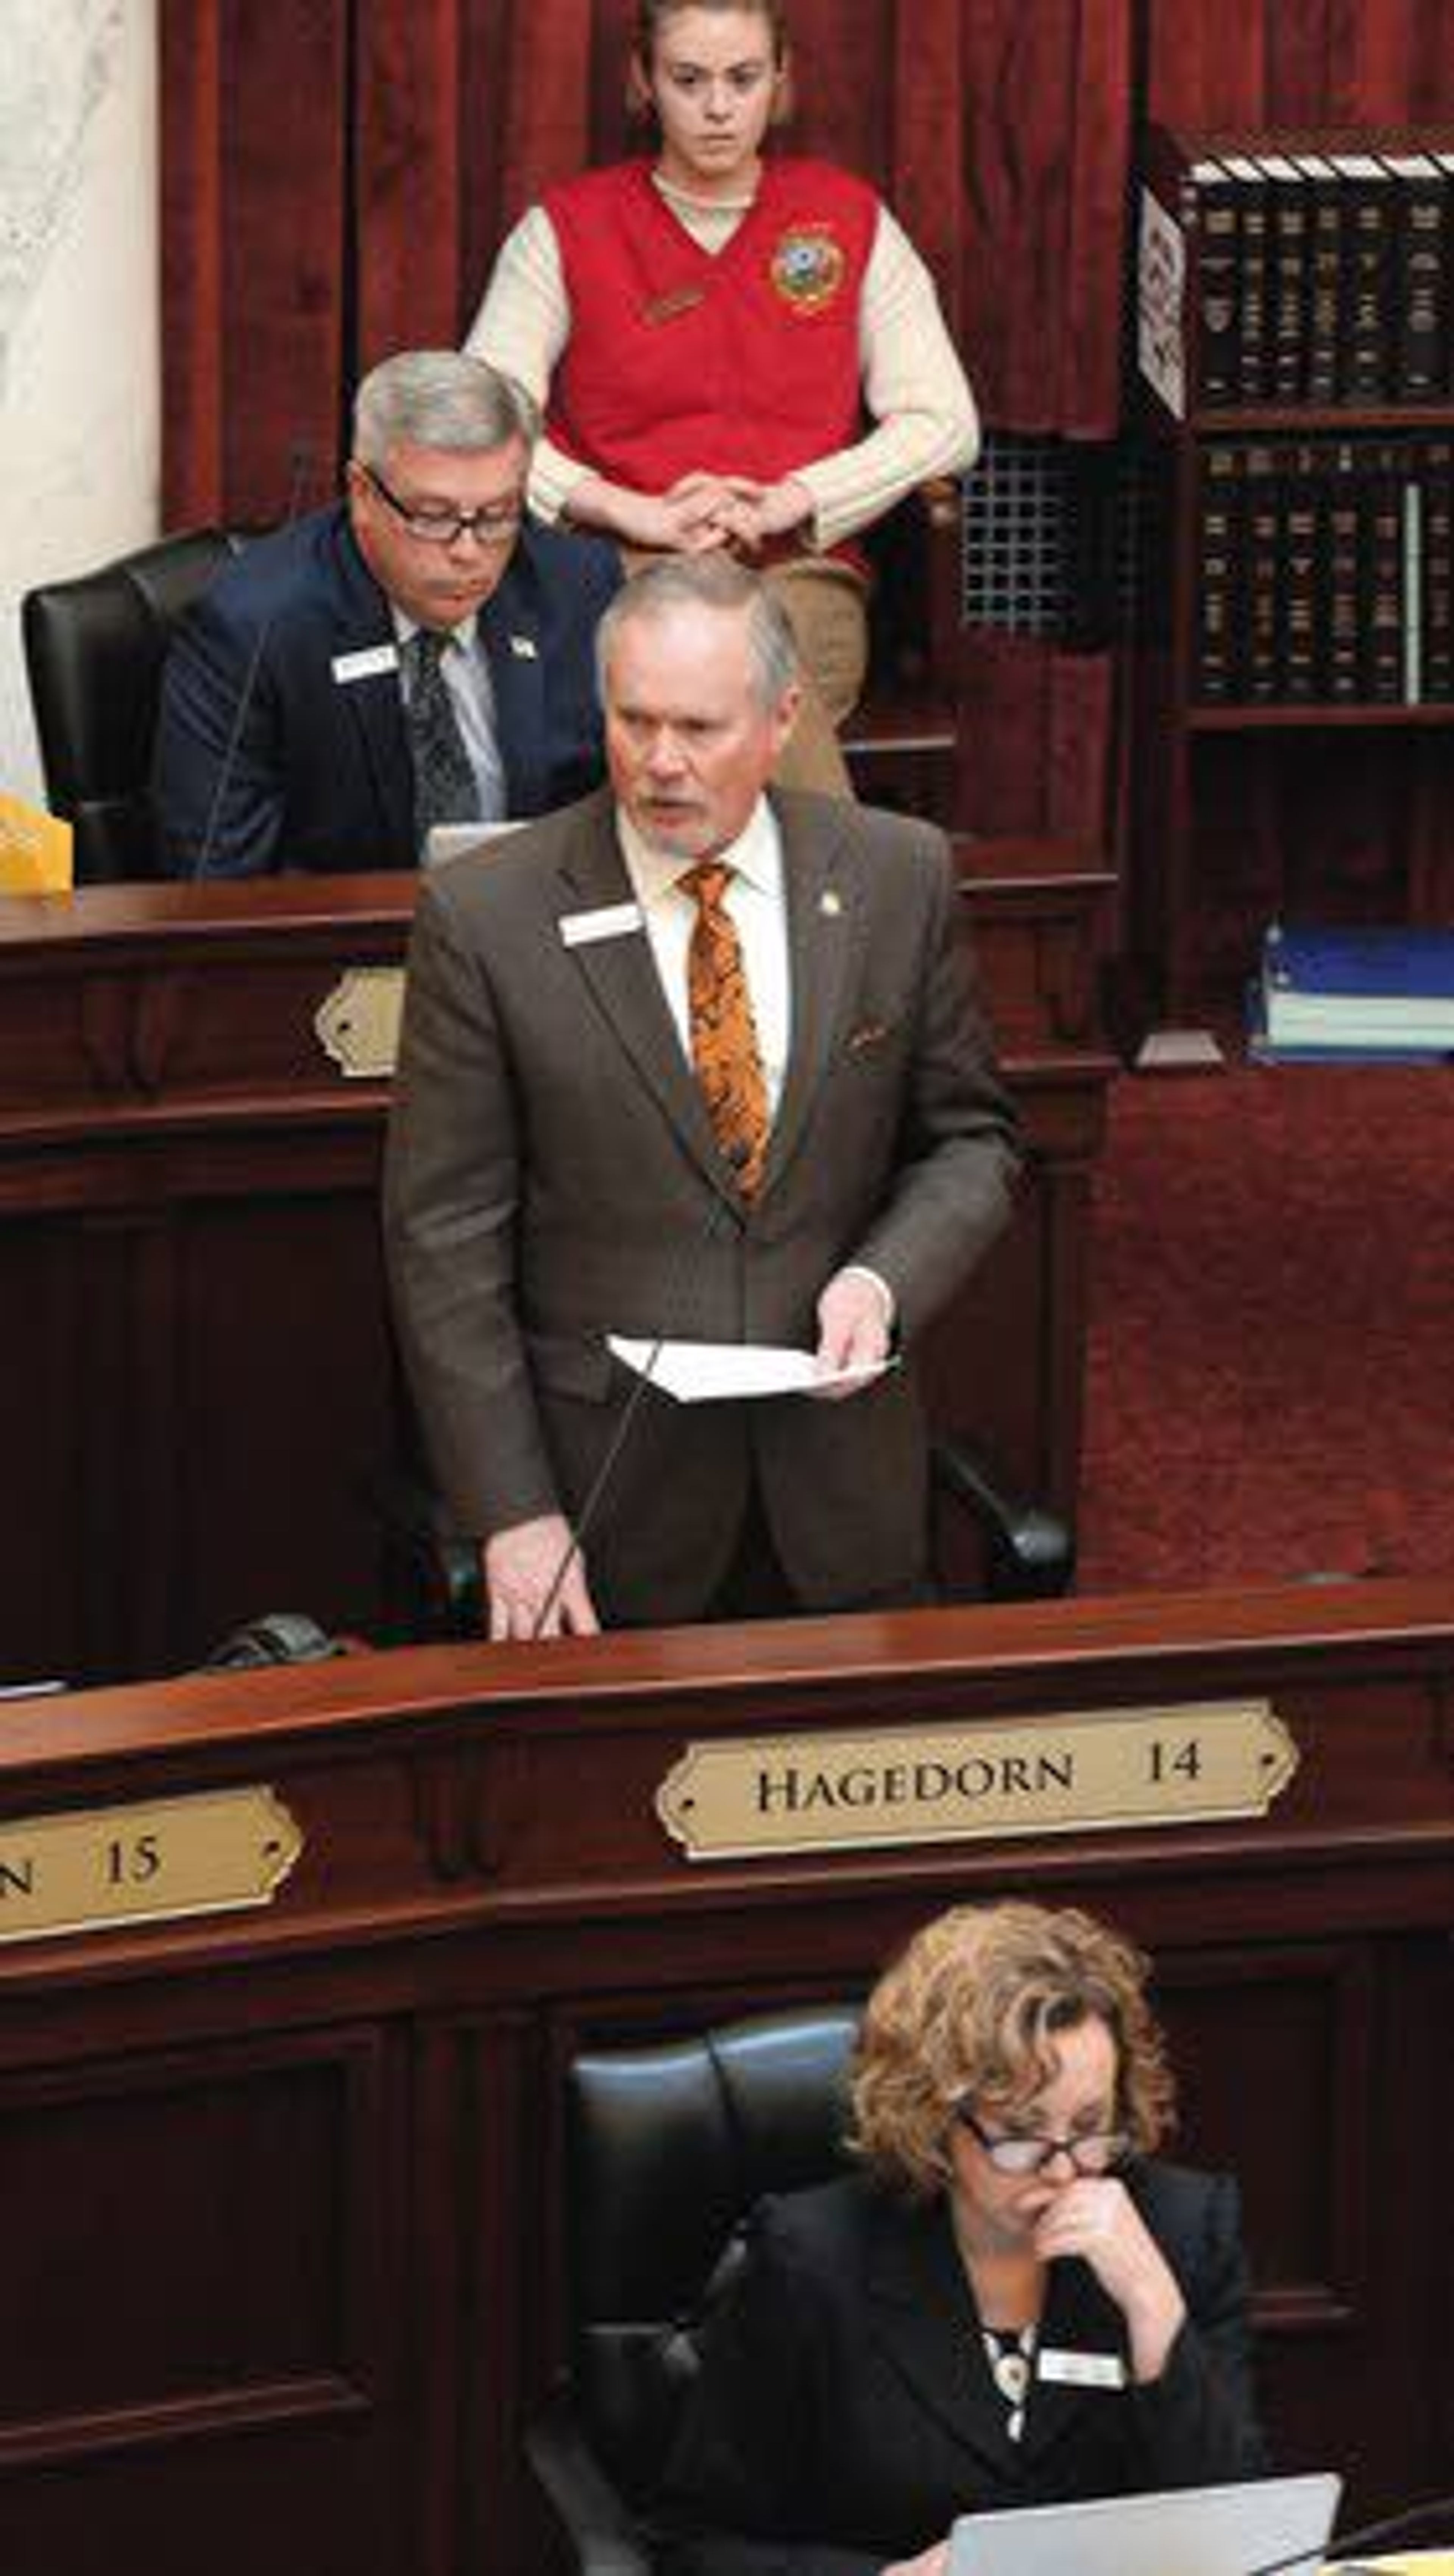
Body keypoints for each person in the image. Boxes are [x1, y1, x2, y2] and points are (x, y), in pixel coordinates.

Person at [383, 555, 1018, 1638]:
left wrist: (881, 1279)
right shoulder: (488, 915)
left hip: (842, 1499)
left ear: (780, 721)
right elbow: (444, 1237)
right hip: (604, 1511)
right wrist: (513, 1512)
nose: (661, 763)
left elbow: (972, 1140)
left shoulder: (896, 875)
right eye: (634, 722)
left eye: (699, 728)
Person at [660, 1901, 1268, 2575]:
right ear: (934, 2119)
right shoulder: (812, 2258)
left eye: (1093, 2123)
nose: (1065, 2168)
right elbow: (697, 2547)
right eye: (1020, 2133)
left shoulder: (1183, 2231)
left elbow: (1237, 2543)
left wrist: (1155, 2309)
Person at [466, 0, 978, 799]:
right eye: (688, 79)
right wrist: (626, 510)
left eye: (742, 79)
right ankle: (829, 911)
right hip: (617, 570)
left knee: (746, 663)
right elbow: (479, 422)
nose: (716, 108)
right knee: (686, 675)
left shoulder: (848, 217)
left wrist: (792, 502)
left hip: (796, 574)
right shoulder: (564, 229)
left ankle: (789, 913)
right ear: (643, 81)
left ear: (781, 80)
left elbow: (945, 423)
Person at [153, 349, 621, 877]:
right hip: (341, 947)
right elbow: (216, 881)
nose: (468, 550)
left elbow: (625, 811)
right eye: (433, 517)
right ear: (362, 494)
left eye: (497, 515)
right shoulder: (255, 625)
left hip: (533, 935)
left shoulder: (575, 587)